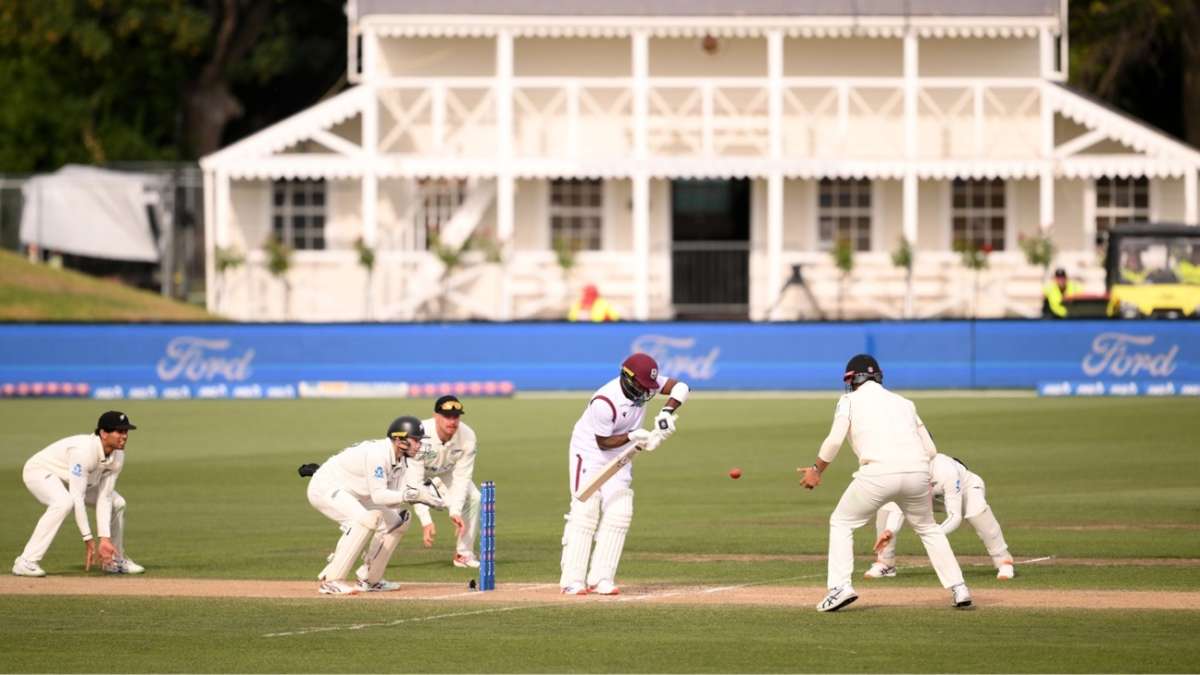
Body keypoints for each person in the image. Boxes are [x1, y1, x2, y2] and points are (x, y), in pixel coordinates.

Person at [799, 355, 971, 612]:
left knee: (842, 522)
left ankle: (839, 587)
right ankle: (959, 588)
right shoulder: (905, 403)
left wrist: (816, 470)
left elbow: (834, 441)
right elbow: (931, 449)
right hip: (918, 473)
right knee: (928, 528)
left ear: (852, 379)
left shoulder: (849, 401)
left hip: (877, 473)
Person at [559, 352, 690, 595]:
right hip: (590, 452)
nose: (646, 391)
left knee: (620, 510)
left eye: (649, 386)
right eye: (642, 386)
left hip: (621, 452)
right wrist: (632, 436)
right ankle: (572, 580)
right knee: (585, 510)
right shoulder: (604, 402)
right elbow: (603, 443)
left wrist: (666, 412)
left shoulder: (645, 384)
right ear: (627, 378)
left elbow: (681, 387)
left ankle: (601, 579)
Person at [306, 415, 447, 595]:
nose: (419, 446)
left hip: (357, 492)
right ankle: (332, 581)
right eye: (416, 440)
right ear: (399, 439)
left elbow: (393, 500)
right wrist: (411, 494)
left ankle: (370, 579)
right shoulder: (378, 455)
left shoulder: (401, 460)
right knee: (366, 519)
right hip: (326, 487)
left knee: (399, 520)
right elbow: (380, 496)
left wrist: (422, 494)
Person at [14, 411, 144, 577]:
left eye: (126, 431)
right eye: (119, 431)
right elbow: (77, 497)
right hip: (40, 471)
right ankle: (26, 561)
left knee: (117, 503)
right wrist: (88, 538)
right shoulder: (84, 451)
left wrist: (104, 539)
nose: (124, 436)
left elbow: (105, 497)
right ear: (104, 433)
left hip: (74, 479)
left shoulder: (118, 455)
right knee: (63, 502)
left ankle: (113, 560)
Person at [865, 454, 1015, 581]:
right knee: (886, 507)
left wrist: (935, 534)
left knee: (977, 512)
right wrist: (890, 531)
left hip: (965, 492)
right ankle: (886, 564)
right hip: (930, 498)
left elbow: (955, 516)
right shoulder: (905, 470)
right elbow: (899, 505)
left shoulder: (946, 470)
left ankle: (1004, 562)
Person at [414, 395, 481, 568]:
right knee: (388, 510)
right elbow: (413, 483)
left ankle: (464, 554)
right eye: (446, 416)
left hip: (444, 472)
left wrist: (455, 511)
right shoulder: (419, 434)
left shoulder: (468, 436)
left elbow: (462, 477)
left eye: (456, 416)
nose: (452, 421)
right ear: (436, 416)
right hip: (408, 473)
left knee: (474, 497)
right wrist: (426, 520)